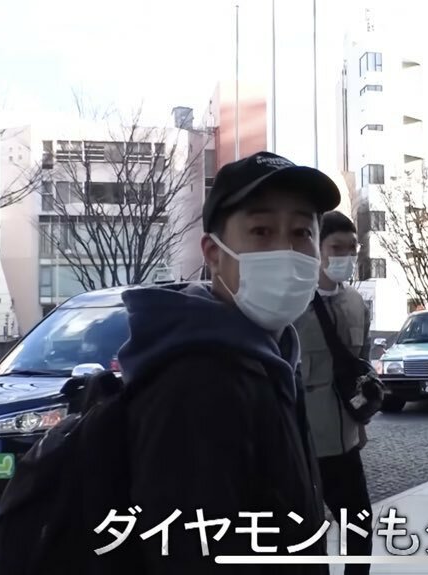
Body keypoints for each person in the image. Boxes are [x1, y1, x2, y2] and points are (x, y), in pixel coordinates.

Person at [116, 151, 337, 573]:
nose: (286, 249)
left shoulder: (272, 361)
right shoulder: (196, 382)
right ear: (213, 253)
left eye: (301, 232)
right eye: (261, 231)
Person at [293, 211, 374, 574]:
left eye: (351, 249)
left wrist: (362, 424)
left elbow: (360, 367)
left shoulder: (356, 303)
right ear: (317, 249)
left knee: (360, 528)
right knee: (308, 539)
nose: (345, 256)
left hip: (345, 444)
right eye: (336, 248)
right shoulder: (291, 304)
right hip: (304, 444)